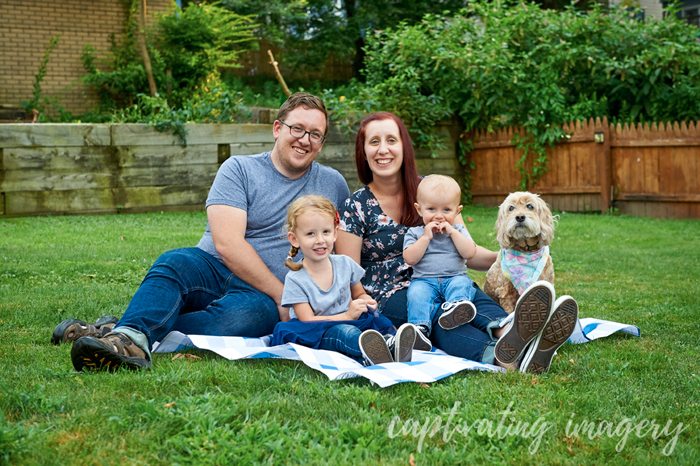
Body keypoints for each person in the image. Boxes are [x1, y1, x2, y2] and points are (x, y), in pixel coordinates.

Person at [57, 92, 351, 372]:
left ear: (322, 143)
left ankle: (120, 328)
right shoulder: (239, 169)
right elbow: (227, 244)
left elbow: (343, 245)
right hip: (210, 271)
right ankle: (127, 343)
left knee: (249, 319)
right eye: (297, 128)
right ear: (277, 128)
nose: (305, 140)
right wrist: (282, 295)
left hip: (257, 298)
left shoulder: (333, 183)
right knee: (175, 261)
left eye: (315, 134)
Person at [335, 112, 573, 371]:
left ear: (404, 146)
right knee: (441, 317)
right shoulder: (355, 205)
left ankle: (511, 332)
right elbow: (348, 271)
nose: (383, 149)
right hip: (390, 292)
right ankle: (501, 356)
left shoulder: (434, 190)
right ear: (363, 151)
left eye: (391, 140)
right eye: (374, 142)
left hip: (447, 276)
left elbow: (467, 250)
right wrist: (360, 301)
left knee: (471, 299)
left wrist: (513, 260)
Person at [269, 195, 417, 364]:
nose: (320, 240)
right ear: (294, 239)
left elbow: (359, 293)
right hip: (316, 331)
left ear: (335, 232)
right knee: (345, 333)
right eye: (310, 234)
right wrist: (346, 315)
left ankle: (389, 345)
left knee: (374, 323)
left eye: (326, 232)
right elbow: (307, 320)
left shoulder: (344, 263)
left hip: (351, 319)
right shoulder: (295, 279)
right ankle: (379, 350)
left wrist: (366, 301)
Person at [403, 174, 479, 351]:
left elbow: (470, 253)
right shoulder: (415, 233)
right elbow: (409, 258)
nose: (439, 216)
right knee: (416, 293)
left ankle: (456, 308)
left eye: (446, 210)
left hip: (454, 277)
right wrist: (426, 237)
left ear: (457, 211)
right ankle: (419, 329)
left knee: (463, 283)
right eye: (431, 209)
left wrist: (452, 233)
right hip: (424, 281)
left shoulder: (458, 230)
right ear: (419, 209)